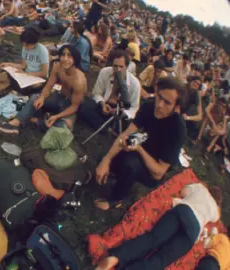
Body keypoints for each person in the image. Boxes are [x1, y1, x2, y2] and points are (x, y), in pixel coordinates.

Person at [93, 77, 186, 210]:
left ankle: (117, 198)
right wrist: (106, 160)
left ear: (176, 108)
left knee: (130, 164)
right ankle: (116, 174)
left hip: (153, 170)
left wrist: (139, 149)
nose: (159, 105)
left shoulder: (178, 128)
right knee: (104, 158)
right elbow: (125, 133)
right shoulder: (149, 106)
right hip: (142, 147)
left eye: (167, 103)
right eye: (159, 97)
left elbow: (158, 173)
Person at [96, 184, 222, 270]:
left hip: (183, 211)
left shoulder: (200, 187)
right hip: (193, 231)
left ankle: (116, 258)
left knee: (152, 239)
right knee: (162, 259)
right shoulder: (215, 211)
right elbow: (217, 217)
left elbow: (184, 191)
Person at [0, 45, 87, 135]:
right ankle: (15, 124)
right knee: (36, 97)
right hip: (59, 97)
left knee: (65, 128)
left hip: (70, 106)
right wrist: (42, 97)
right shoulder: (58, 67)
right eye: (63, 55)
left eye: (69, 56)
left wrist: (57, 117)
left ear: (76, 59)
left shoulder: (79, 81)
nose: (65, 59)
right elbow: (48, 86)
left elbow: (74, 107)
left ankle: (36, 120)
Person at [77, 50, 141, 131]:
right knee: (83, 104)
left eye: (121, 67)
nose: (118, 69)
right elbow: (97, 93)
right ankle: (106, 128)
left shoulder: (135, 83)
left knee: (125, 124)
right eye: (115, 66)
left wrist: (121, 112)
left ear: (127, 66)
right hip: (103, 105)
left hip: (120, 113)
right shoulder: (105, 72)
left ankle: (103, 126)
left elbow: (134, 108)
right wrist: (102, 104)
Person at [183, 76, 204, 143]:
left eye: (198, 84)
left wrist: (188, 118)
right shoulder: (183, 87)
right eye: (195, 82)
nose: (195, 84)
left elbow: (200, 116)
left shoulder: (196, 94)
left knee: (197, 122)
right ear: (191, 81)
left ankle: (191, 138)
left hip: (184, 113)